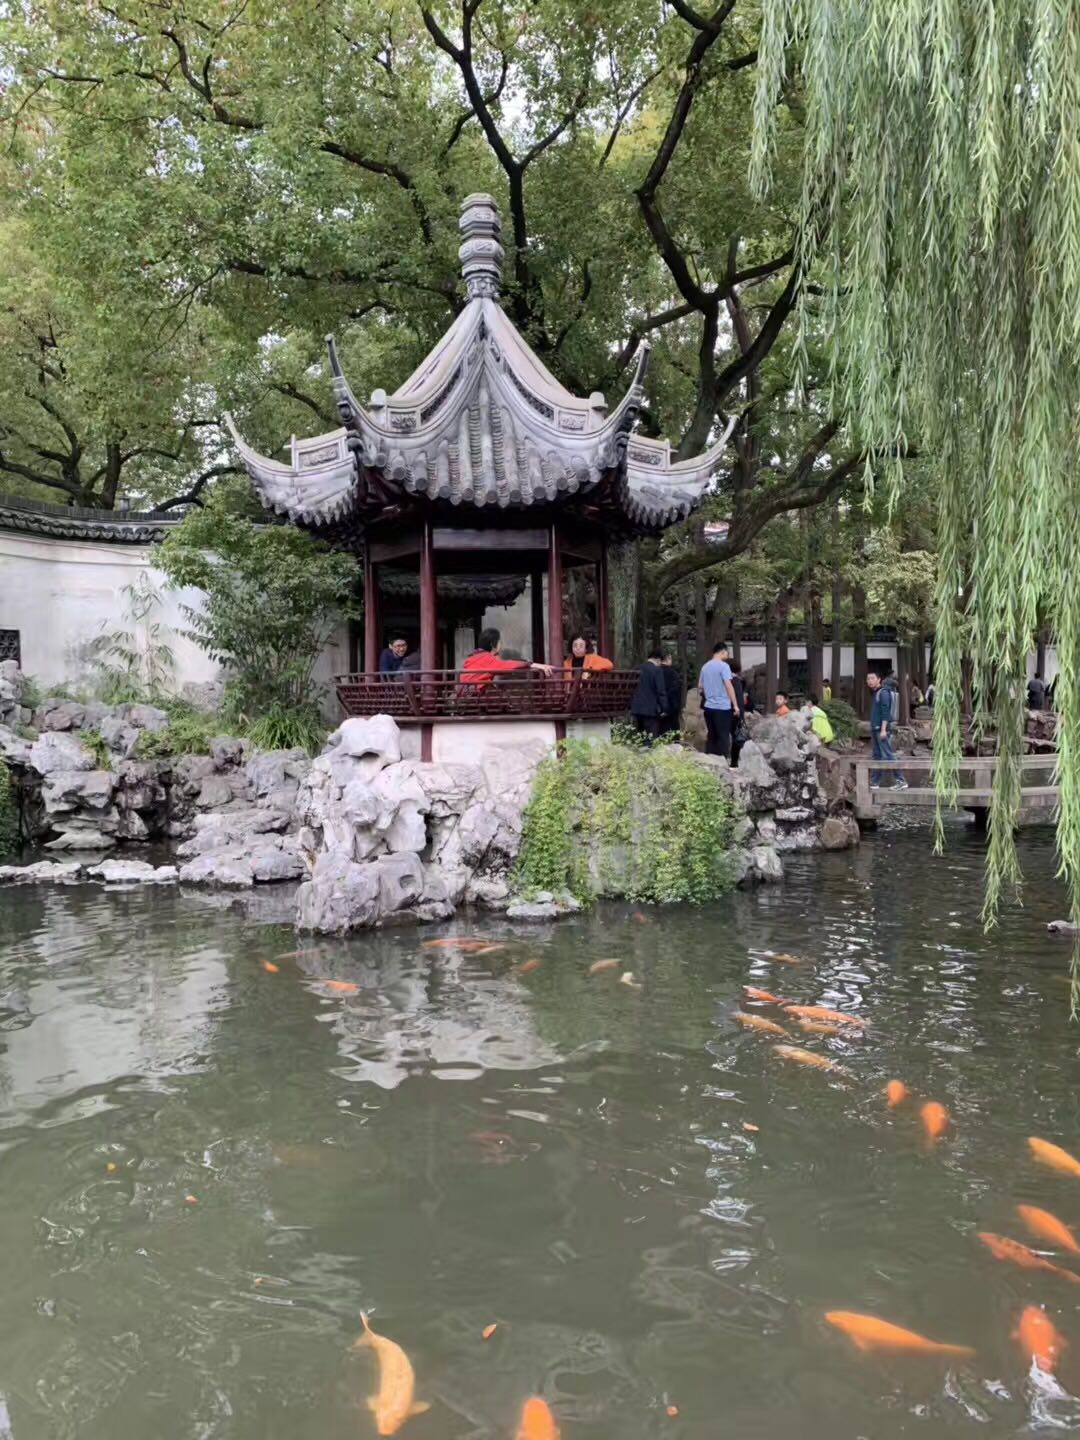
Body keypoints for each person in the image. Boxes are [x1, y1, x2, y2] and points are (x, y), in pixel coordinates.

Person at [459, 628, 552, 689]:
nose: (502, 644)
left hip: (468, 696)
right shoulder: (487, 658)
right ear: (492, 644)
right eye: (500, 641)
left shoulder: (473, 657)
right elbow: (507, 665)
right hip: (475, 698)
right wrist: (532, 664)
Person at [698, 641, 740, 759]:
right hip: (722, 707)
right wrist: (735, 705)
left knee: (711, 735)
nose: (728, 655)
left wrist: (709, 694)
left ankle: (710, 760)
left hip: (709, 707)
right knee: (723, 736)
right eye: (727, 652)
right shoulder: (724, 666)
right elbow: (728, 685)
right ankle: (722, 761)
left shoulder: (705, 666)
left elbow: (700, 686)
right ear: (722, 651)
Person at [868, 671, 907, 789]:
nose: (869, 681)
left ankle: (901, 781)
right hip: (875, 728)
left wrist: (883, 729)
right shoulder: (876, 693)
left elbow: (885, 712)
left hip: (881, 729)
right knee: (877, 755)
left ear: (878, 679)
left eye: (872, 678)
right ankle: (875, 782)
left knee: (888, 754)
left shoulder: (883, 693)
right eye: (868, 679)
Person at [630, 649, 669, 741]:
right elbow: (661, 691)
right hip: (651, 709)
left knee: (640, 735)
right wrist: (664, 708)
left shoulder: (637, 668)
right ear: (658, 660)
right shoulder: (657, 670)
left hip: (637, 708)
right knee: (651, 737)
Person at [728, 660, 748, 765]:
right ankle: (734, 762)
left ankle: (732, 761)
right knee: (737, 736)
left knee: (733, 736)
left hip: (730, 712)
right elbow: (740, 699)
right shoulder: (737, 681)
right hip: (736, 712)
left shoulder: (731, 681)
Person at [661, 655, 683, 735]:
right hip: (671, 705)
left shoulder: (656, 671)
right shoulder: (673, 673)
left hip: (658, 706)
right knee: (672, 729)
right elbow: (675, 690)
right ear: (668, 660)